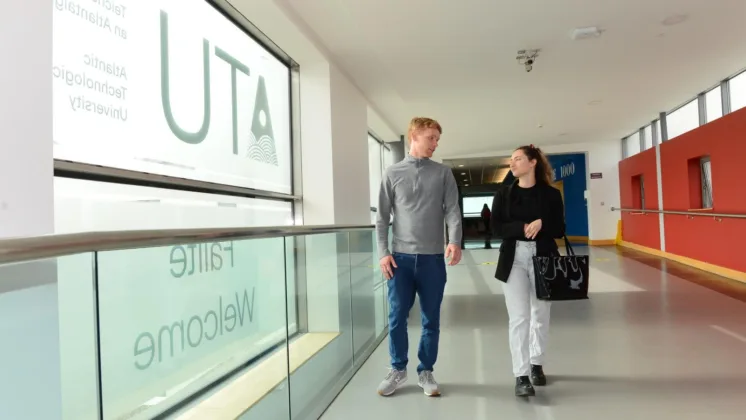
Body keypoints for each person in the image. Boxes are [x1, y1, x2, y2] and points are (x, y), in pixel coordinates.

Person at [376, 117, 463, 397]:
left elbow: (452, 210)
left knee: (430, 318)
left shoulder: (442, 173)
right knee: (397, 316)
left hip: (432, 260)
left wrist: (455, 241)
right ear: (414, 136)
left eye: (438, 139)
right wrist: (383, 253)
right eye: (431, 138)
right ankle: (397, 370)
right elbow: (381, 218)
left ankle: (426, 370)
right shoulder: (392, 173)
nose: (435, 144)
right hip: (400, 260)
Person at [490, 145, 565, 397]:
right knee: (519, 318)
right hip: (514, 258)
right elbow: (496, 229)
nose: (512, 163)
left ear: (533, 162)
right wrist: (522, 228)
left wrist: (543, 222)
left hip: (543, 256)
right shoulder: (504, 194)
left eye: (518, 159)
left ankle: (536, 363)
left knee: (540, 314)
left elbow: (559, 229)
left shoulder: (551, 195)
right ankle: (521, 375)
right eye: (511, 160)